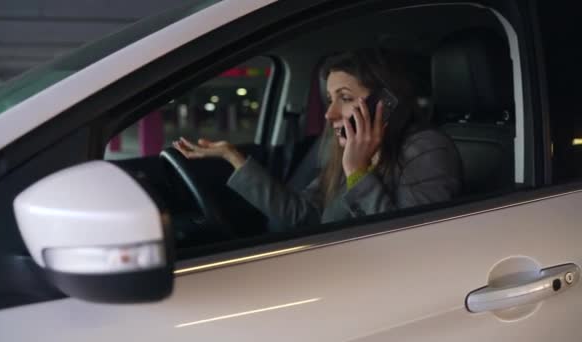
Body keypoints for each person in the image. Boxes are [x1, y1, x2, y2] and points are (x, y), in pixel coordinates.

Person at [174, 48, 462, 231]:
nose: (329, 114)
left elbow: (411, 240)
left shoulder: (425, 149)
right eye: (329, 99)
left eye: (345, 98)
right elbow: (302, 215)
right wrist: (231, 157)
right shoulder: (343, 151)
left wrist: (358, 172)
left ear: (383, 103)